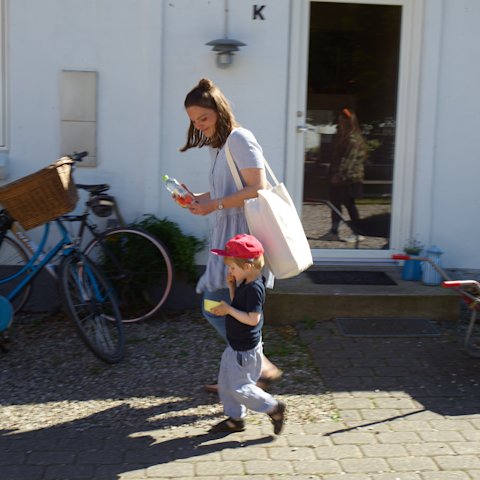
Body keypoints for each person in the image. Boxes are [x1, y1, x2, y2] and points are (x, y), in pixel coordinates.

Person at [180, 78, 282, 391]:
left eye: (203, 118)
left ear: (219, 111)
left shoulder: (240, 138)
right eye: (194, 121)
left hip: (244, 236)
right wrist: (198, 198)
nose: (199, 126)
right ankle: (247, 371)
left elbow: (257, 187)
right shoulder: (220, 146)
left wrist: (215, 204)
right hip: (228, 233)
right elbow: (227, 189)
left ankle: (256, 366)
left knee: (219, 304)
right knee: (228, 302)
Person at [207, 233, 286, 434]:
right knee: (225, 384)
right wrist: (232, 287)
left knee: (241, 388)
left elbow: (253, 319)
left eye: (232, 266)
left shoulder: (254, 289)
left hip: (244, 351)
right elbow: (238, 305)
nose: (229, 270)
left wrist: (228, 310)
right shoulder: (245, 282)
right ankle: (235, 419)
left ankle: (273, 407)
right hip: (236, 346)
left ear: (247, 266)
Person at [322, 107, 368, 243]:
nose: (339, 123)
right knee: (335, 204)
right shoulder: (346, 137)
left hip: (349, 179)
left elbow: (349, 160)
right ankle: (334, 231)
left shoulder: (353, 139)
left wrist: (340, 175)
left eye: (341, 121)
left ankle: (358, 231)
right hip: (341, 177)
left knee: (349, 204)